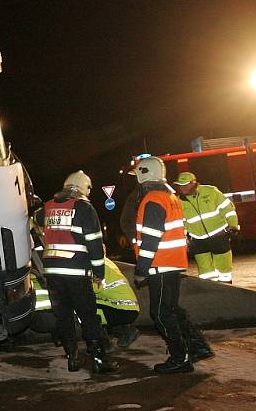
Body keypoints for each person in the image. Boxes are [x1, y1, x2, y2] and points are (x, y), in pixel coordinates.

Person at [132, 157, 214, 374]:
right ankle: (198, 347)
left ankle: (179, 358)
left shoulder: (152, 200)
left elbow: (150, 239)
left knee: (160, 313)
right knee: (172, 309)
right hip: (173, 263)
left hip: (159, 264)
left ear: (143, 176)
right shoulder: (170, 197)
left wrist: (141, 270)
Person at [33, 170, 116, 373]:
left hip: (52, 272)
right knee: (88, 315)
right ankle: (99, 360)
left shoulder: (48, 207)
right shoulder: (84, 208)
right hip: (76, 272)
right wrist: (99, 271)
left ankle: (72, 358)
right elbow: (95, 243)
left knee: (64, 317)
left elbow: (36, 219)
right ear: (84, 188)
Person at [172, 172, 239, 283]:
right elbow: (181, 223)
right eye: (180, 185)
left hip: (219, 236)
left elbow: (228, 209)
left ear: (193, 183)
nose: (182, 187)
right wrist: (185, 240)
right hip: (198, 241)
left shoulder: (211, 191)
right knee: (205, 273)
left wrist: (233, 226)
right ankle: (210, 292)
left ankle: (226, 289)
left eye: (185, 184)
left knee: (224, 270)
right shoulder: (178, 202)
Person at [95, 258, 140, 348]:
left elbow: (92, 288)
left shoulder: (95, 266)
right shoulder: (105, 262)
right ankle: (124, 330)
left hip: (120, 309)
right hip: (127, 309)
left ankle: (103, 345)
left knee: (84, 307)